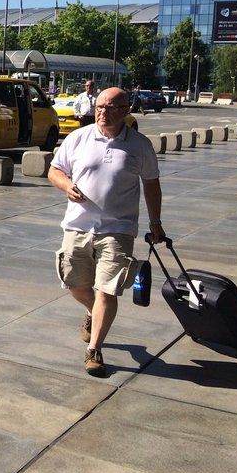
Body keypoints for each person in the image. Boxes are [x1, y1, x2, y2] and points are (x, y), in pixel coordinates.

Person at [48, 87, 164, 377]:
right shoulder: (78, 138)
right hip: (77, 225)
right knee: (75, 285)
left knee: (106, 290)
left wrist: (156, 223)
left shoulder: (140, 145)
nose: (103, 112)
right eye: (100, 106)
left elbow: (151, 184)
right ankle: (92, 313)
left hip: (119, 229)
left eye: (111, 107)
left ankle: (94, 350)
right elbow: (54, 170)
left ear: (126, 110)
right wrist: (66, 185)